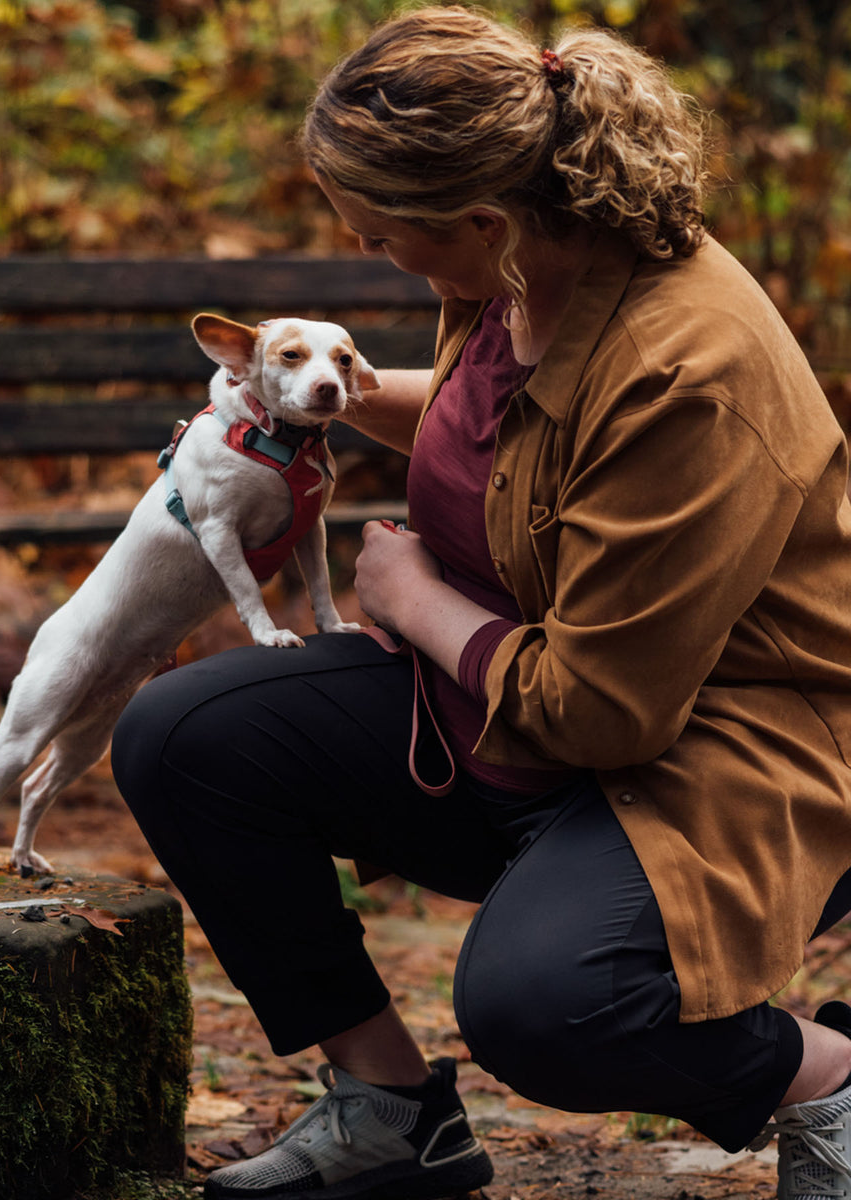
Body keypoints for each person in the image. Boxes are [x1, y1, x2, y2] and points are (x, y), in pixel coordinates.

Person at [111, 8, 851, 1200]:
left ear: (482, 219)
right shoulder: (521, 270)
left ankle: (829, 1077)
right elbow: (497, 434)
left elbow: (609, 711)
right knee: (185, 739)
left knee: (547, 1007)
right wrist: (303, 399)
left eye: (385, 234)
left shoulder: (686, 368)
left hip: (722, 744)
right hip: (511, 702)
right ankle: (393, 1114)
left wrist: (407, 599)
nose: (372, 251)